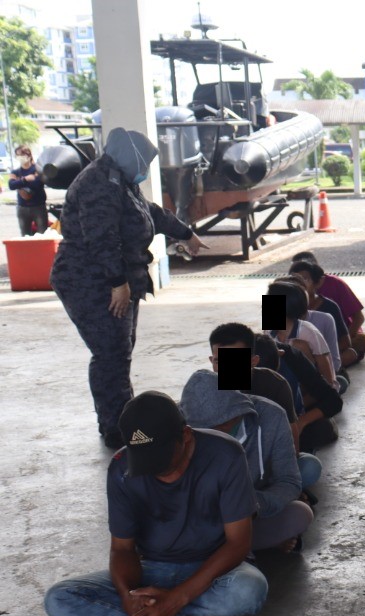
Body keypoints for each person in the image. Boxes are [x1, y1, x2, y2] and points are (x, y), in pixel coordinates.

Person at [43, 391, 267, 616]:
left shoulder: (225, 454)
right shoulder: (121, 468)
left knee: (249, 591)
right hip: (152, 570)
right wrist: (129, 597)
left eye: (161, 458)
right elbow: (122, 548)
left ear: (185, 435)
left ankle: (158, 614)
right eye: (144, 460)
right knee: (59, 599)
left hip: (213, 570)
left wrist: (177, 598)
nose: (155, 471)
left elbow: (238, 543)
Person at [50, 128, 207, 449]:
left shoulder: (120, 180)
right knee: (110, 353)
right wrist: (117, 283)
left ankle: (120, 418)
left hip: (115, 278)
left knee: (119, 351)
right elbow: (101, 237)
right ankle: (116, 428)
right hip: (90, 281)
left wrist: (186, 233)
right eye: (144, 162)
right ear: (129, 156)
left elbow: (151, 213)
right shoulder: (98, 183)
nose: (145, 169)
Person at [180, 370, 312, 553]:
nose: (209, 435)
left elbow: (289, 481)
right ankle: (248, 547)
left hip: (252, 512)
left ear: (236, 414)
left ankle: (227, 549)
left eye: (218, 426)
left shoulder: (272, 415)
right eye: (202, 430)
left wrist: (252, 504)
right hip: (203, 518)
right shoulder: (182, 429)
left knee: (300, 514)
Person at [208, 323, 323, 490]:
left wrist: (286, 480)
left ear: (253, 361)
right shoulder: (205, 390)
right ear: (211, 361)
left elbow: (291, 439)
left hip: (268, 465)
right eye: (220, 361)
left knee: (310, 467)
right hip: (225, 472)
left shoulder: (274, 384)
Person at [253, 334, 342, 455]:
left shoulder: (290, 356)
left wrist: (301, 423)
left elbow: (334, 400)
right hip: (254, 430)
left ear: (280, 354)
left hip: (291, 419)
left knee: (324, 428)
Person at [290, 251, 365, 362]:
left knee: (355, 348)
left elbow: (357, 320)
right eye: (295, 279)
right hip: (293, 349)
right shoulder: (280, 295)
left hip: (330, 346)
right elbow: (272, 335)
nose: (300, 283)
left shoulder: (329, 306)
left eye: (305, 279)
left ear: (317, 281)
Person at [265, 279, 340, 394]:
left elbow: (327, 378)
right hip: (289, 387)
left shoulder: (308, 332)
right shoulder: (269, 331)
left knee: (297, 346)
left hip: (316, 390)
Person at [7, 145, 48, 236]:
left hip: (38, 206)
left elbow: (37, 184)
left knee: (43, 234)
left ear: (28, 155)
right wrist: (25, 179)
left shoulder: (37, 169)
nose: (20, 157)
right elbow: (11, 185)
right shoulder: (15, 172)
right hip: (22, 207)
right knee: (25, 236)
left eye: (22, 155)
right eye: (18, 155)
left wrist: (19, 182)